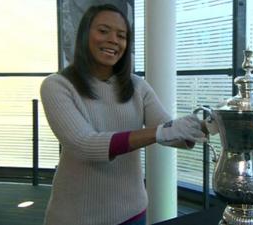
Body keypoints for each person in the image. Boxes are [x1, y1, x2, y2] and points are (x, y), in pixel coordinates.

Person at [40, 4, 206, 225]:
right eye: (103, 31)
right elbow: (84, 144)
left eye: (121, 35)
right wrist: (160, 132)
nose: (113, 40)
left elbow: (170, 131)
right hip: (77, 216)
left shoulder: (137, 85)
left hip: (133, 212)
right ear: (84, 35)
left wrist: (207, 126)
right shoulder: (57, 85)